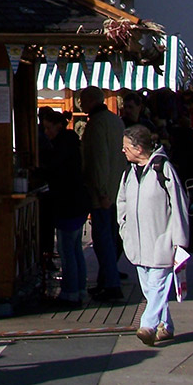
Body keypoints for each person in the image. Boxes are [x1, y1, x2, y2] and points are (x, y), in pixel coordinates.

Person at [117, 124, 189, 346]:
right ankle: (165, 326)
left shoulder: (162, 168)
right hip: (137, 243)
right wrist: (124, 228)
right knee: (150, 289)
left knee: (157, 285)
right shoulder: (129, 172)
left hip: (161, 240)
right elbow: (122, 202)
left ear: (139, 148)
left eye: (126, 147)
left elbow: (178, 205)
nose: (123, 151)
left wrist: (179, 240)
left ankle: (147, 325)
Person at [79, 86, 127, 301]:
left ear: (89, 102)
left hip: (103, 193)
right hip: (118, 188)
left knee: (103, 239)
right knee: (112, 237)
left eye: (82, 100)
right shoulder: (116, 120)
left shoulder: (97, 124)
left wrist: (101, 191)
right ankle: (107, 280)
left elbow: (98, 160)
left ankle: (110, 284)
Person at [39, 110, 90, 305]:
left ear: (58, 126)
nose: (46, 132)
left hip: (68, 202)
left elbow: (54, 168)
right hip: (76, 201)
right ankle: (80, 289)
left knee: (67, 248)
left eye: (48, 128)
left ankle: (70, 291)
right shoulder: (70, 142)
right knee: (75, 248)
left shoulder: (62, 145)